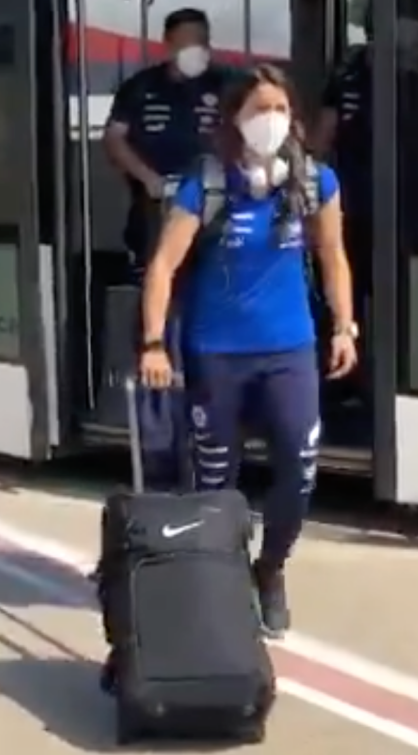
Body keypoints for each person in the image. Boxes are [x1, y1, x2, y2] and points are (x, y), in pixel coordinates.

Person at [138, 64, 357, 638]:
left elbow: (333, 256)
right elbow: (163, 265)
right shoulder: (206, 184)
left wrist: (345, 326)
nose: (271, 121)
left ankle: (271, 568)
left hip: (290, 350)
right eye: (259, 111)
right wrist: (155, 343)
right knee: (215, 481)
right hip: (218, 355)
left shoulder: (313, 181)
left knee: (300, 470)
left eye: (280, 110)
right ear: (235, 119)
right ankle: (220, 579)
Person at [102, 7, 235, 278]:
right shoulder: (140, 87)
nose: (195, 49)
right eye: (186, 42)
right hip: (156, 207)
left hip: (217, 206)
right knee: (159, 279)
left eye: (201, 41)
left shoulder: (229, 85)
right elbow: (114, 139)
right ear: (168, 45)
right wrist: (148, 178)